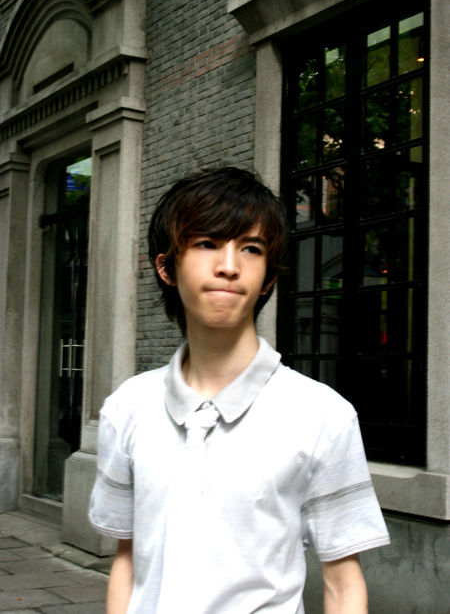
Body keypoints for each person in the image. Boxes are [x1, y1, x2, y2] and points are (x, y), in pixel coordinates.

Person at [89, 166, 390, 614]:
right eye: (206, 243)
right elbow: (128, 559)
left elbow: (344, 585)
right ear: (166, 267)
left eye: (250, 249)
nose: (229, 266)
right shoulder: (128, 407)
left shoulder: (322, 414)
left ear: (268, 277)